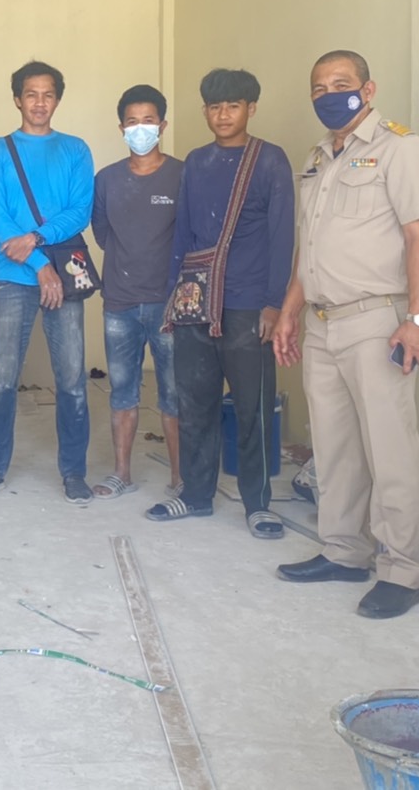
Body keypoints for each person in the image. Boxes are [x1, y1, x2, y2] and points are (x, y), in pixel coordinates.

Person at [273, 50, 419, 620]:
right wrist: (290, 311)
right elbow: (310, 247)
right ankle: (343, 551)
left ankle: (402, 570)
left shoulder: (400, 149)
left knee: (390, 450)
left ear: (368, 90)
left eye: (340, 84)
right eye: (318, 87)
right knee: (335, 447)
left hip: (376, 321)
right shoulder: (318, 157)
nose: (328, 94)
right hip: (321, 322)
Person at [146, 68, 293, 539]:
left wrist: (274, 303)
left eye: (232, 105)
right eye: (214, 106)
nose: (223, 114)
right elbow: (183, 233)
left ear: (251, 108)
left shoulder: (269, 160)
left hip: (250, 304)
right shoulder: (196, 161)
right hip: (195, 302)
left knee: (253, 407)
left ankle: (258, 504)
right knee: (195, 402)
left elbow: (283, 236)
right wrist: (174, 295)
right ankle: (195, 495)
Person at [0, 61, 95, 505]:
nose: (40, 103)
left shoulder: (75, 150)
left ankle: (74, 472)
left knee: (72, 379)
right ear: (17, 99)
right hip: (13, 278)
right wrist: (40, 264)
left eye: (48, 94)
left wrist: (37, 240)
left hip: (64, 277)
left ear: (57, 99)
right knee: (2, 379)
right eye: (31, 94)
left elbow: (80, 211)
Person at [90, 84, 184, 500]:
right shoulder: (107, 180)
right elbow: (102, 232)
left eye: (148, 121)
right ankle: (122, 473)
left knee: (174, 395)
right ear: (121, 128)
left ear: (162, 125)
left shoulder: (182, 175)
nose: (140, 128)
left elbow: (191, 234)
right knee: (122, 391)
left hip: (170, 304)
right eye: (132, 122)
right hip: (120, 302)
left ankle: (180, 477)